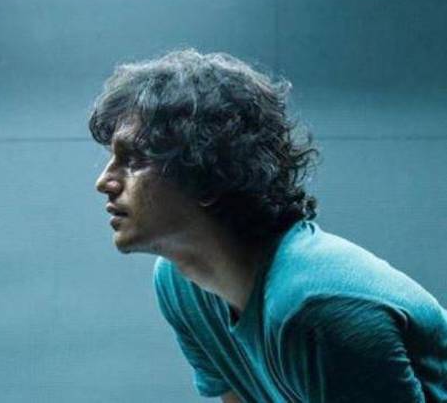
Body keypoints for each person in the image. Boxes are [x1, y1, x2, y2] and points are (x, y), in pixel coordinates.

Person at [89, 49, 447, 402]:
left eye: (134, 160)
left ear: (206, 174)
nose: (104, 181)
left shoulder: (316, 306)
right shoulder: (181, 283)